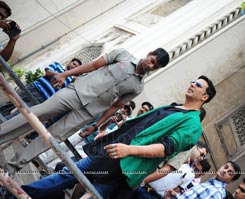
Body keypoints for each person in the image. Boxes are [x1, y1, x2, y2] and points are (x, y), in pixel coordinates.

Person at [4, 75, 216, 199]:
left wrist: (129, 150)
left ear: (204, 97)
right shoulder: (174, 107)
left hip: (127, 165)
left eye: (197, 85)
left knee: (91, 195)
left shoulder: (192, 124)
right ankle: (16, 195)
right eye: (193, 81)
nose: (192, 84)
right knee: (68, 174)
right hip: (110, 151)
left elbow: (165, 148)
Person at [0, 48, 169, 173]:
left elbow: (116, 106)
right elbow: (94, 65)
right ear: (149, 54)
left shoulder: (138, 87)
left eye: (155, 66)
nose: (150, 65)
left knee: (52, 138)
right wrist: (65, 74)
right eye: (152, 60)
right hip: (75, 92)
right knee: (36, 114)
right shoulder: (122, 55)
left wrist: (96, 126)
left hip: (88, 113)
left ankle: (9, 168)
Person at [0, 58, 82, 119]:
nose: (73, 66)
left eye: (76, 67)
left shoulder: (70, 80)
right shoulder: (57, 65)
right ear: (70, 62)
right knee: (12, 102)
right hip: (34, 88)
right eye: (74, 64)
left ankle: (3, 124)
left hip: (42, 98)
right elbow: (48, 72)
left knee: (20, 114)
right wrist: (61, 75)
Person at [135, 157, 211, 199]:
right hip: (145, 185)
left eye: (197, 170)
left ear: (202, 174)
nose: (193, 169)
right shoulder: (185, 163)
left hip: (154, 196)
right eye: (194, 166)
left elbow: (175, 191)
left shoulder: (194, 182)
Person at [164, 161, 241, 199]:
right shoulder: (210, 185)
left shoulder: (217, 192)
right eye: (225, 167)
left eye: (230, 172)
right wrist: (176, 195)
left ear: (231, 181)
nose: (225, 171)